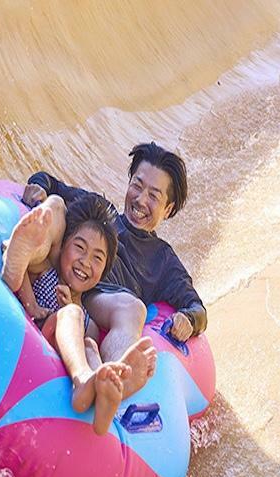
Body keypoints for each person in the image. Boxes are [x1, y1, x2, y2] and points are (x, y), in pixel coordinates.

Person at [22, 142, 207, 397]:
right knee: (54, 209)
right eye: (137, 186)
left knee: (134, 308)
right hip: (59, 274)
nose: (141, 200)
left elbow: (196, 307)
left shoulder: (163, 261)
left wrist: (188, 319)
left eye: (153, 196)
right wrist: (39, 189)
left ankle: (110, 379)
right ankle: (20, 257)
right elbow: (50, 183)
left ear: (168, 209)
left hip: (99, 300)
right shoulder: (101, 212)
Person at [2, 192, 156, 435]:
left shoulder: (88, 318)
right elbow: (30, 271)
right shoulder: (46, 270)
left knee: (90, 344)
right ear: (62, 246)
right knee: (71, 314)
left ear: (103, 272)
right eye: (79, 248)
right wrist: (31, 305)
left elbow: (87, 342)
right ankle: (84, 380)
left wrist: (72, 311)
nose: (85, 262)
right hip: (40, 332)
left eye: (97, 258)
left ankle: (107, 386)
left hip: (66, 356)